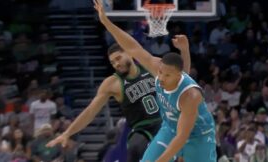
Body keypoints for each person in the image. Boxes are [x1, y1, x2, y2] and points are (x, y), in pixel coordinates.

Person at [93, 0, 217, 162]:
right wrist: (107, 22)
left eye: (167, 76)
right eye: (160, 73)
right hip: (169, 128)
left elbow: (181, 138)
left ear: (179, 76)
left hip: (198, 136)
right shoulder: (158, 69)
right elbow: (132, 48)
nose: (161, 78)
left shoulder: (191, 96)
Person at [46, 31, 190, 162]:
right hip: (142, 128)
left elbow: (183, 79)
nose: (116, 64)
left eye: (118, 58)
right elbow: (90, 111)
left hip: (165, 122)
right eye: (113, 62)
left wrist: (184, 50)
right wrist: (67, 133)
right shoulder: (112, 83)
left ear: (129, 53)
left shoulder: (151, 65)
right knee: (134, 148)